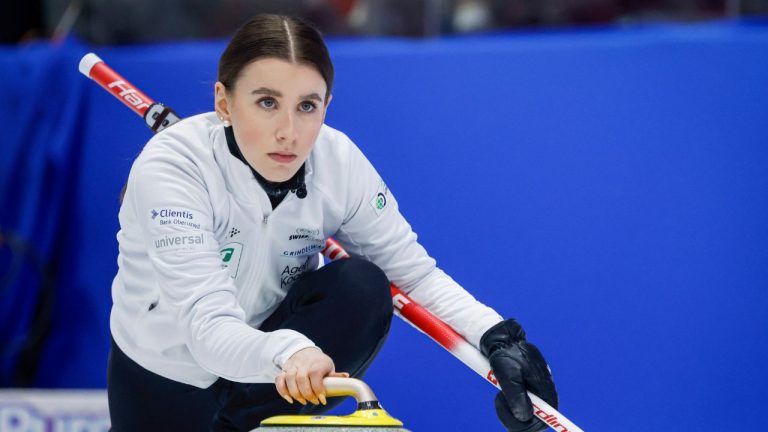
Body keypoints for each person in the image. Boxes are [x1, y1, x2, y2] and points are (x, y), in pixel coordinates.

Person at [107, 13, 558, 432]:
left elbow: (414, 274)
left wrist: (497, 337)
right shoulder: (173, 168)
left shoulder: (337, 161)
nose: (289, 131)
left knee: (363, 285)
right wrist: (292, 351)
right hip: (165, 371)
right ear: (224, 102)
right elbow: (205, 329)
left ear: (327, 105)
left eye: (307, 106)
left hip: (268, 378)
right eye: (266, 102)